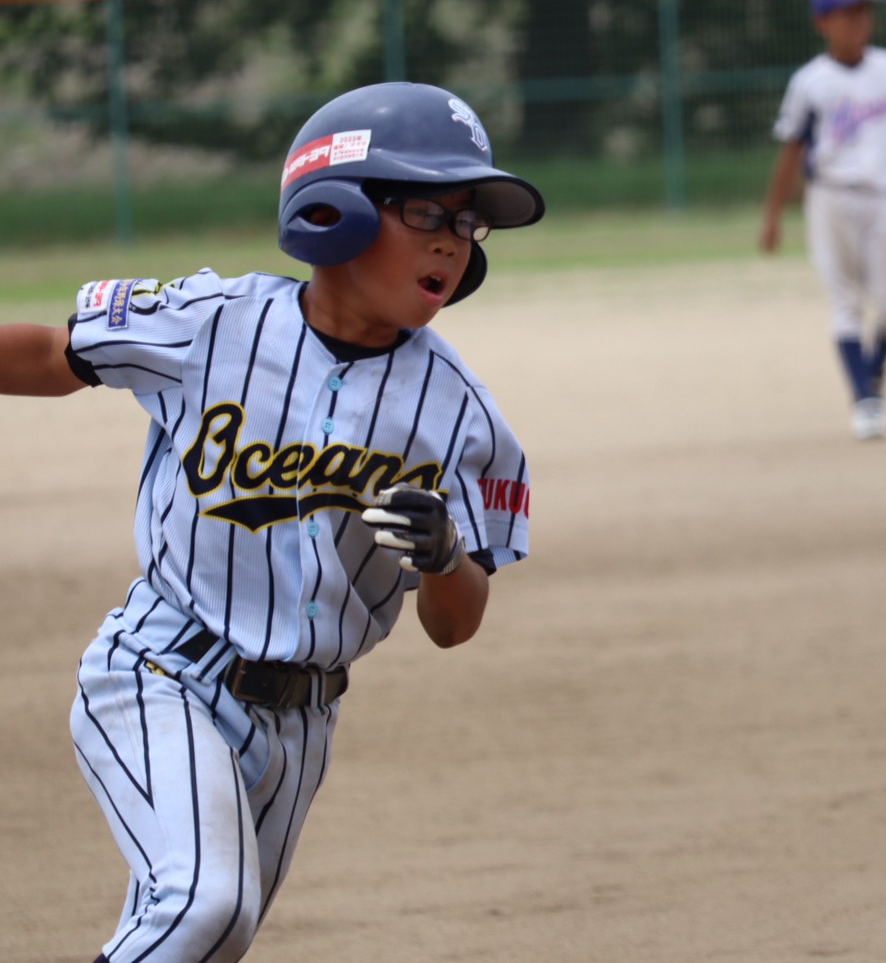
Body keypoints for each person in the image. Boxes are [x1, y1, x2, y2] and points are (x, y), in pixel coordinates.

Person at [0, 82, 542, 962]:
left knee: (200, 936)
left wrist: (444, 557)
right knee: (204, 906)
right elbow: (54, 356)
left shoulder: (460, 415)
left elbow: (456, 624)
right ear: (334, 209)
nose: (452, 240)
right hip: (162, 672)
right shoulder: (214, 325)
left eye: (468, 222)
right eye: (424, 211)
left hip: (303, 726)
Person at [759, 0, 886, 441]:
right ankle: (865, 400)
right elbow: (791, 150)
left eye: (864, 11)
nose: (859, 20)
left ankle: (872, 370)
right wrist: (773, 216)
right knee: (845, 300)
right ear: (822, 22)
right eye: (847, 12)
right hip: (831, 198)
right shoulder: (809, 82)